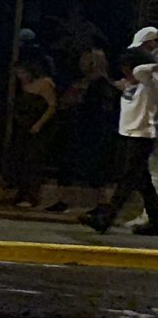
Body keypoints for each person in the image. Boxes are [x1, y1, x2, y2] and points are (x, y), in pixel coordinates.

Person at [83, 30, 158, 234]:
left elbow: (144, 68)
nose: (124, 73)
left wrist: (150, 56)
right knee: (141, 180)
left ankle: (105, 218)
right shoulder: (133, 82)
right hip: (128, 133)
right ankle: (156, 219)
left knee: (127, 180)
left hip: (141, 135)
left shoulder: (150, 80)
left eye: (127, 68)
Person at [52, 46, 118, 210]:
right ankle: (64, 200)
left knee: (95, 169)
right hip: (78, 128)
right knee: (68, 165)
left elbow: (103, 110)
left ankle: (102, 204)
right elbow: (65, 103)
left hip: (95, 132)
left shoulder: (103, 86)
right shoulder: (81, 83)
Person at [1, 58, 57, 208]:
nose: (20, 76)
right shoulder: (22, 86)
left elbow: (51, 106)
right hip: (24, 126)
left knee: (33, 161)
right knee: (20, 159)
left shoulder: (44, 84)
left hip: (38, 127)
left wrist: (39, 124)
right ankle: (21, 192)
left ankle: (32, 196)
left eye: (22, 72)